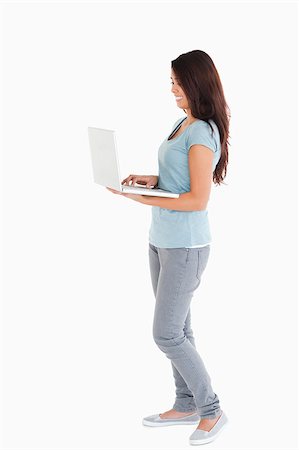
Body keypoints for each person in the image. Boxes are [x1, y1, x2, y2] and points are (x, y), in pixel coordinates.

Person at [106, 49, 231, 446]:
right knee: (181, 329)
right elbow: (179, 180)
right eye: (171, 81)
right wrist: (148, 179)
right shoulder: (183, 123)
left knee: (166, 334)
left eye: (177, 81)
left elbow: (198, 198)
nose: (172, 87)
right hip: (162, 240)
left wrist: (142, 199)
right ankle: (185, 402)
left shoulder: (202, 131)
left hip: (187, 245)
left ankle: (211, 409)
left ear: (196, 82)